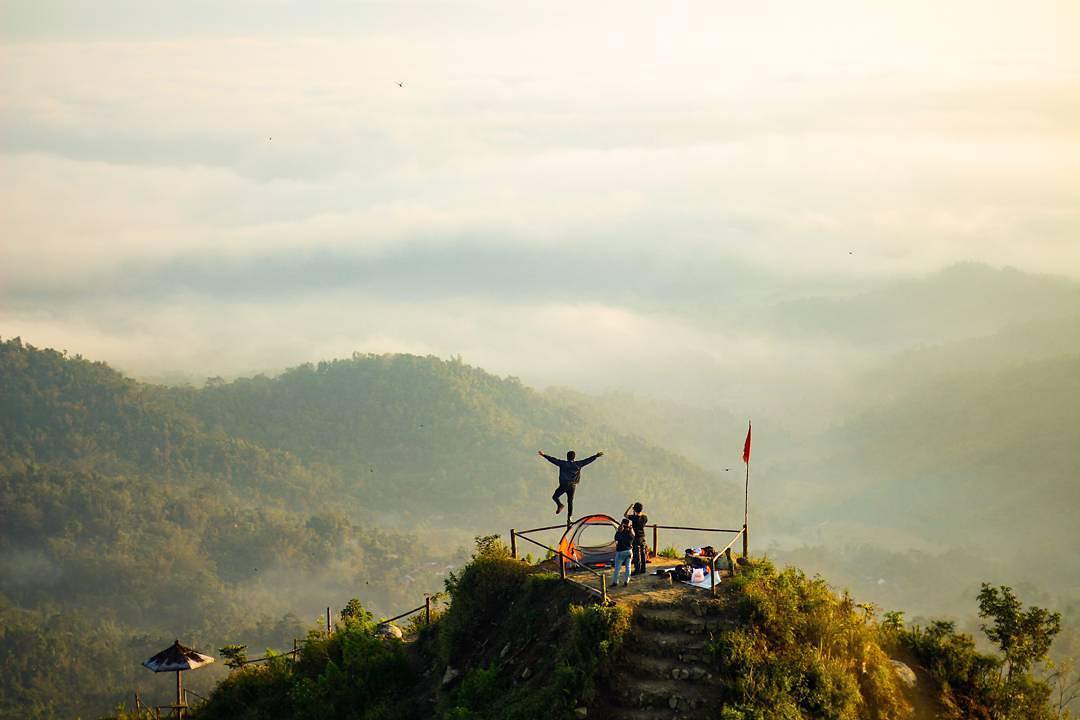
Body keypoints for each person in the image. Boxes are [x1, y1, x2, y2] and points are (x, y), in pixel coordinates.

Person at [537, 449, 603, 521]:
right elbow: (587, 461)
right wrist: (596, 456)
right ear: (574, 457)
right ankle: (570, 517)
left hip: (564, 485)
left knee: (555, 497)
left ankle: (560, 505)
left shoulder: (563, 463)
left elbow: (553, 460)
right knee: (570, 501)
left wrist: (543, 455)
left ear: (567, 457)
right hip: (573, 486)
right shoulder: (578, 464)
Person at [623, 501, 649, 575]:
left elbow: (625, 515)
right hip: (643, 537)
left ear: (634, 509)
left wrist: (629, 507)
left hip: (637, 537)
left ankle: (637, 570)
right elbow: (644, 519)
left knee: (636, 554)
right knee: (643, 553)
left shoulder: (634, 517)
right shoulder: (644, 517)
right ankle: (643, 569)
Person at [612, 518, 634, 587]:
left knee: (617, 568)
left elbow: (616, 539)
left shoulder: (619, 533)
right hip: (629, 551)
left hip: (620, 552)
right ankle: (626, 581)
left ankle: (615, 582)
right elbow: (633, 535)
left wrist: (619, 529)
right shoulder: (630, 533)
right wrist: (631, 528)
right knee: (628, 567)